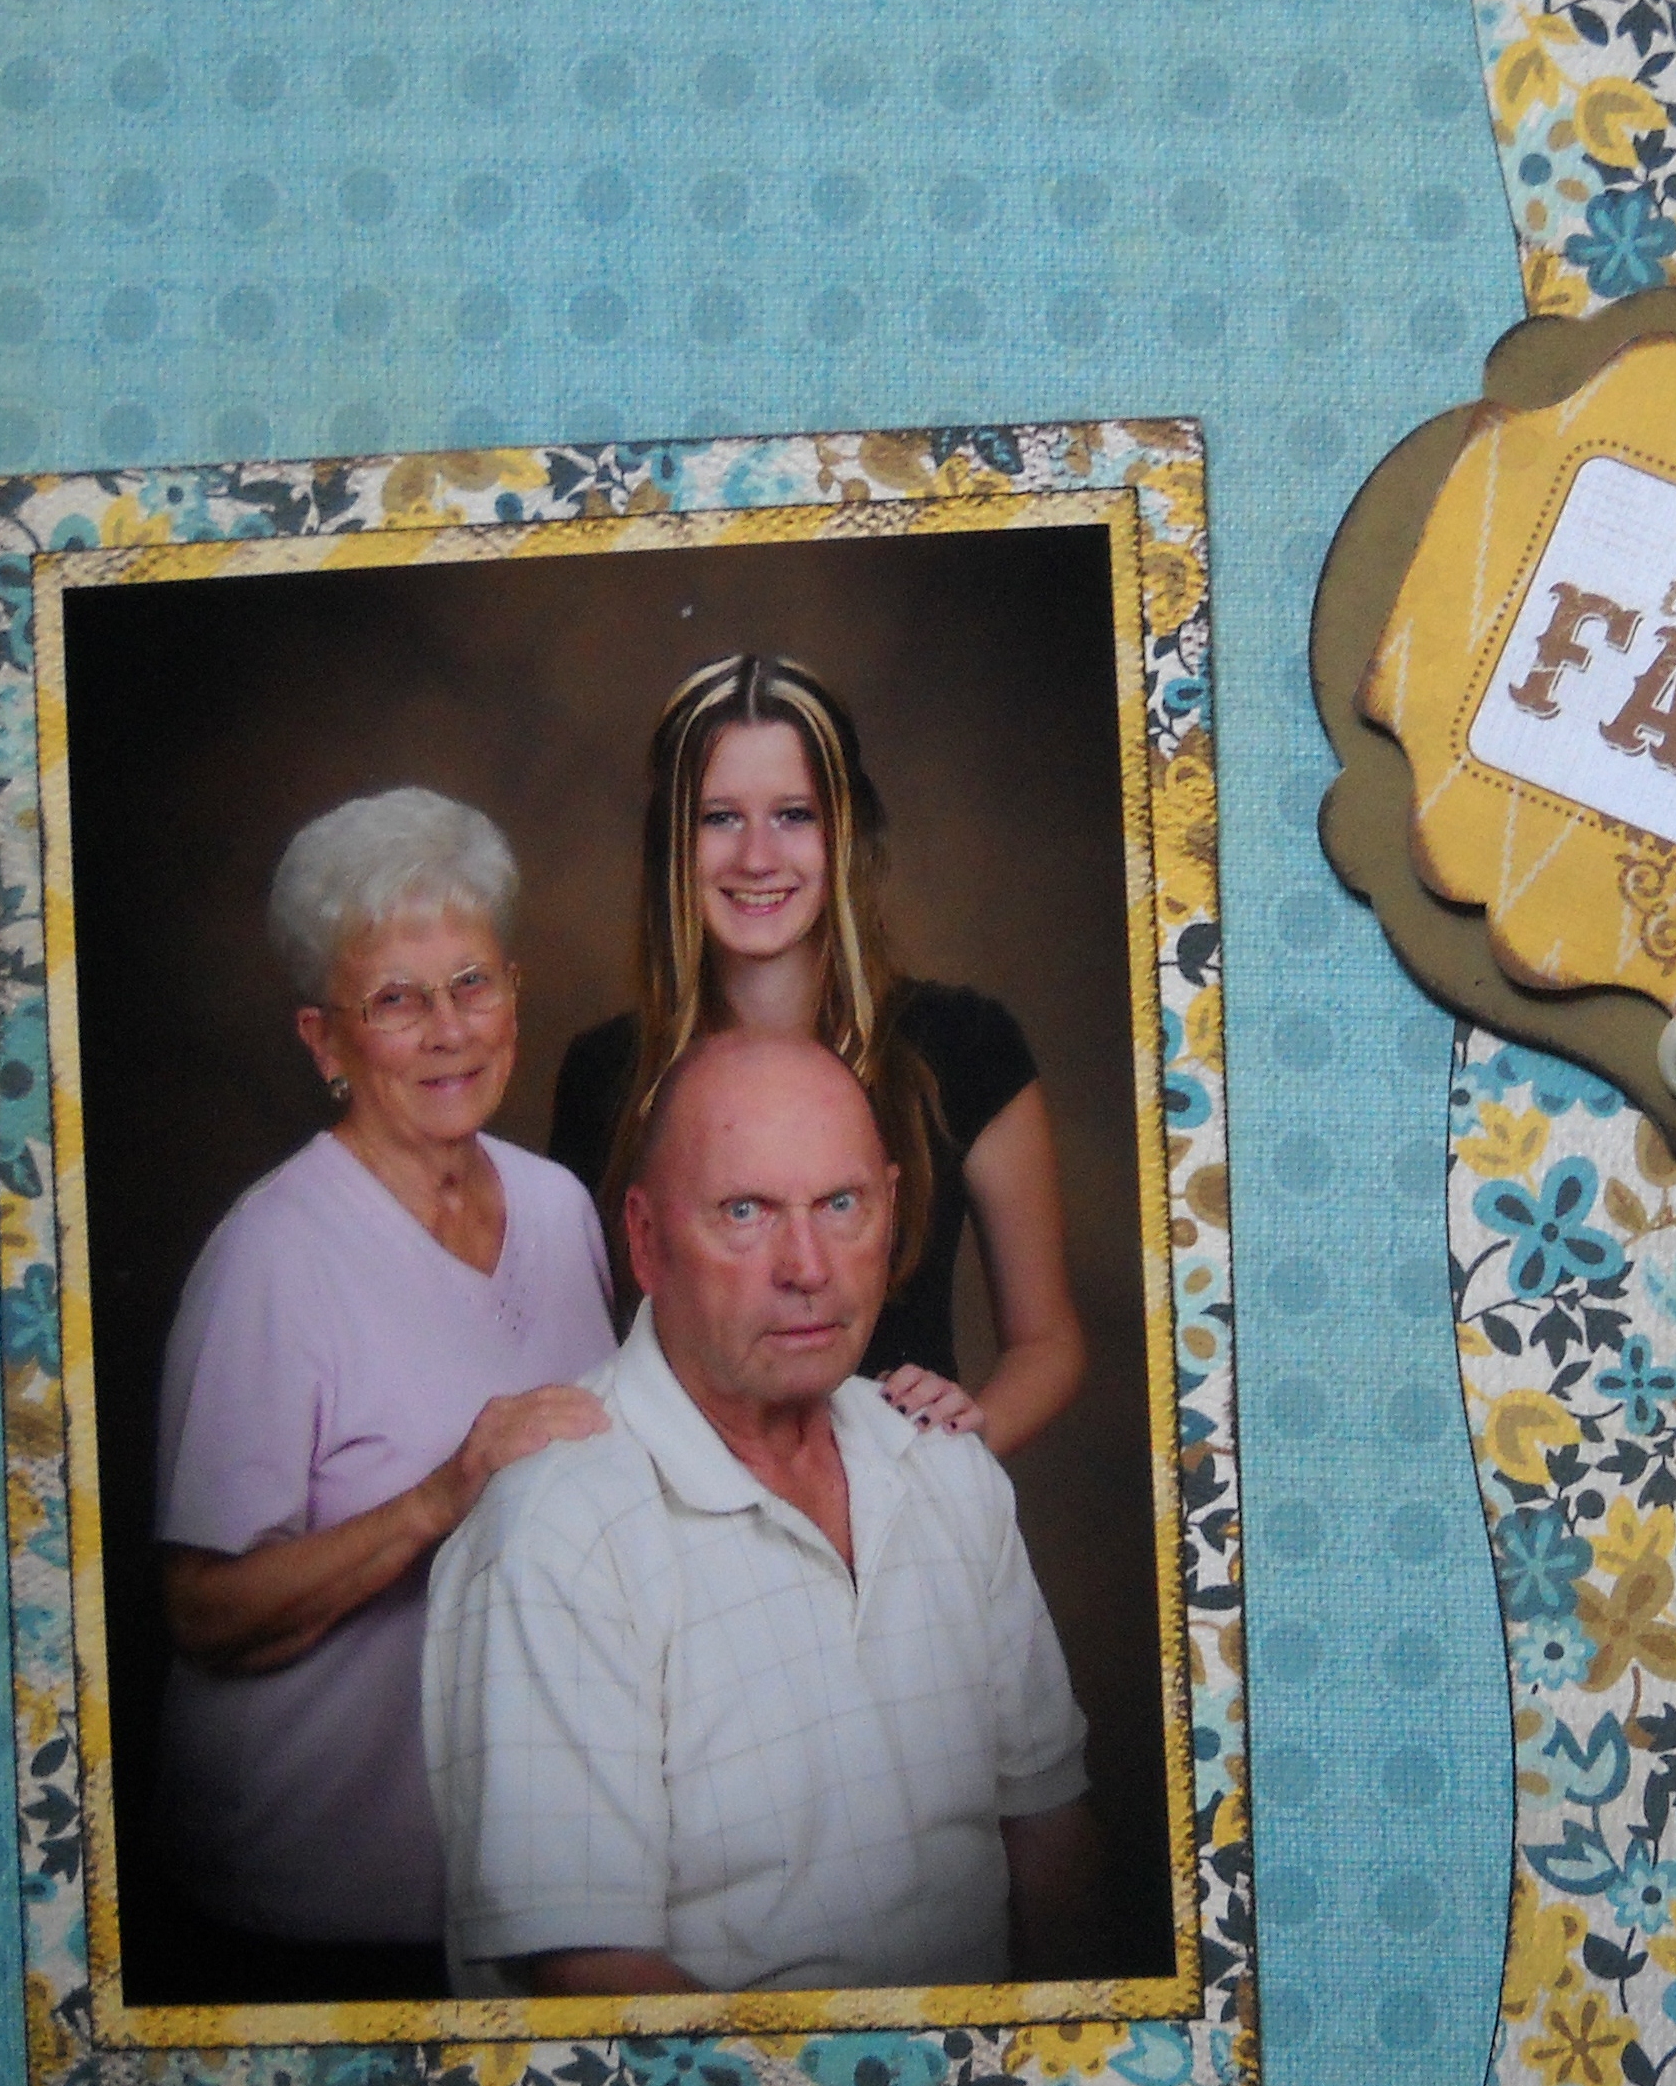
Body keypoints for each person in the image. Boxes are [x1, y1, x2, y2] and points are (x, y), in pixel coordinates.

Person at [425, 1031, 1099, 1996]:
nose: (807, 1266)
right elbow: (592, 1976)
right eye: (745, 1212)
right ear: (645, 1240)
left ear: (892, 1210)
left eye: (841, 1205)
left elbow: (1049, 1833)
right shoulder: (557, 1533)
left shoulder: (946, 1467)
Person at [152, 787, 615, 2001]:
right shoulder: (271, 1256)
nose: (448, 1029)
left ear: (514, 991)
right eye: (396, 1000)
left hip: (519, 1889)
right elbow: (200, 1612)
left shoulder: (560, 1209)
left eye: (471, 983)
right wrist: (440, 1495)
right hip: (304, 1905)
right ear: (325, 1041)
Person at [548, 653, 1083, 1457]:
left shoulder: (966, 1046)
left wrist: (950, 1461)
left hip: (905, 1512)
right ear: (671, 843)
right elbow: (584, 1363)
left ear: (845, 832)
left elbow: (1047, 1343)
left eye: (793, 814)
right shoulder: (604, 1074)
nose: (757, 857)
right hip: (674, 1516)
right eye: (718, 817)